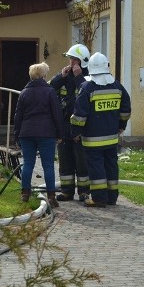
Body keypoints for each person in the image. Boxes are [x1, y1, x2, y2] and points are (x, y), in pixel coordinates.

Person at [71, 52, 131, 208]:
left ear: (90, 68)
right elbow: (126, 109)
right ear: (107, 66)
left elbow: (79, 115)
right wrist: (121, 125)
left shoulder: (87, 88)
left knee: (96, 167)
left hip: (92, 139)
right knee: (111, 166)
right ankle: (112, 197)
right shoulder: (117, 86)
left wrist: (75, 132)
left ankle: (98, 198)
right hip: (112, 137)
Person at [14, 62, 65, 207]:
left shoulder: (24, 93)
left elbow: (18, 116)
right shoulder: (50, 92)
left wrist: (16, 134)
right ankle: (51, 196)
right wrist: (60, 133)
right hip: (46, 133)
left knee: (28, 163)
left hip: (27, 132)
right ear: (43, 75)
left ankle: (25, 193)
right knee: (48, 165)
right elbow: (57, 114)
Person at [49, 43, 92, 201]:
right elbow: (49, 89)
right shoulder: (64, 77)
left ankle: (84, 192)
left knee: (82, 162)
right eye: (70, 60)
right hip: (64, 126)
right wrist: (61, 77)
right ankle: (67, 191)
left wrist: (79, 76)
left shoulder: (87, 78)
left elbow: (86, 92)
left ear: (81, 62)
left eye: (73, 60)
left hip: (81, 128)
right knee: (65, 161)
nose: (70, 63)